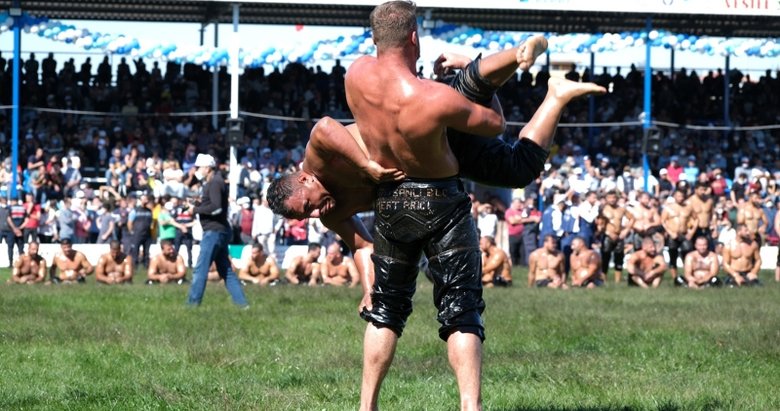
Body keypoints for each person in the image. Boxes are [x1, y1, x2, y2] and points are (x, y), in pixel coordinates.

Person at [185, 153, 248, 307]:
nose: (196, 170)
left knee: (200, 270)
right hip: (219, 231)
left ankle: (193, 304)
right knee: (226, 271)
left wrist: (195, 209)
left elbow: (216, 208)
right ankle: (243, 305)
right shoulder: (215, 182)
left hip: (213, 232)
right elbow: (214, 204)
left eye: (199, 167)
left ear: (207, 167)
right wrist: (200, 204)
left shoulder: (214, 183)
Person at [598, 190, 635, 283]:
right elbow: (599, 224)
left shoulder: (621, 209)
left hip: (619, 235)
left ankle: (617, 280)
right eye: (609, 198)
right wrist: (607, 232)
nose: (612, 200)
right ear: (606, 199)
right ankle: (603, 279)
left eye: (614, 198)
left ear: (617, 199)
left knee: (619, 257)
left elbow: (632, 218)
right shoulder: (603, 209)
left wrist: (626, 230)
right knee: (605, 257)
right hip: (607, 235)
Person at [661, 190, 696, 280]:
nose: (680, 198)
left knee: (687, 254)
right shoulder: (668, 208)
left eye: (682, 196)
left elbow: (696, 219)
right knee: (673, 255)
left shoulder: (688, 207)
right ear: (674, 197)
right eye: (678, 196)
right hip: (673, 234)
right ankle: (675, 278)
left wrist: (691, 232)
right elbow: (663, 221)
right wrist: (670, 232)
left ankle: (688, 276)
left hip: (684, 234)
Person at [687, 182, 715, 249]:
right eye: (701, 189)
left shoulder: (709, 200)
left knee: (710, 249)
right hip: (695, 229)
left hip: (707, 228)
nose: (703, 192)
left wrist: (715, 228)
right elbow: (687, 217)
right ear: (695, 190)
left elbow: (713, 215)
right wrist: (690, 229)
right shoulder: (690, 201)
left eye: (704, 190)